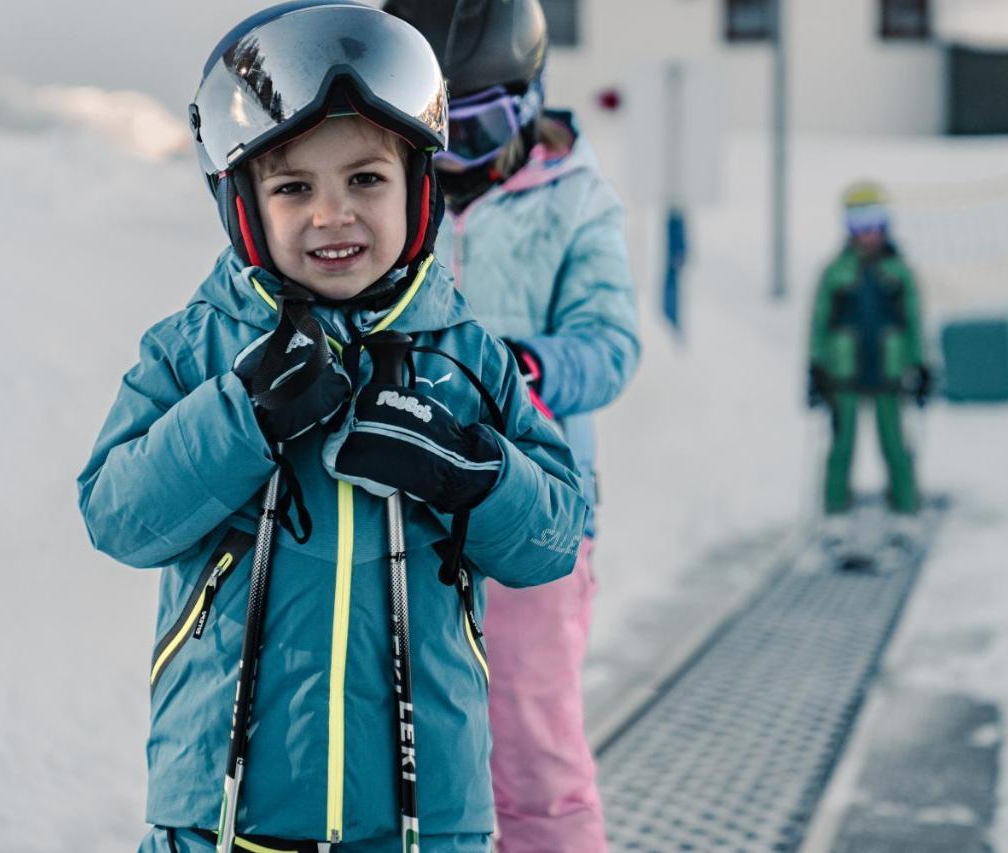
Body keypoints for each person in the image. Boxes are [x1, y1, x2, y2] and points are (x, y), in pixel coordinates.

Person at [76, 4, 588, 851]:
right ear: (244, 203)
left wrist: (474, 474)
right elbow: (118, 516)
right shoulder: (197, 351)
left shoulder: (465, 357)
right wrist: (241, 416)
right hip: (225, 808)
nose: (332, 214)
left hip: (427, 819)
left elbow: (556, 537)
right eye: (293, 187)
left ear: (418, 188)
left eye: (365, 179)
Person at [382, 2, 640, 850]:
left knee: (531, 757)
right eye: (436, 126)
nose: (454, 156)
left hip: (529, 521)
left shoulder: (574, 202)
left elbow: (610, 343)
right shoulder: (391, 194)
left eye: (481, 125)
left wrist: (524, 370)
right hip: (401, 517)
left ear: (530, 103)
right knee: (402, 759)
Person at [808, 181, 930, 520]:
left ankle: (905, 504)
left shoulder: (898, 273)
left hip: (887, 372)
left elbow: (914, 323)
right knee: (841, 444)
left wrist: (920, 366)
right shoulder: (836, 273)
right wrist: (816, 367)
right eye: (859, 224)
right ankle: (835, 507)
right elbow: (820, 323)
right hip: (844, 372)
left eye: (874, 223)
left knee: (893, 442)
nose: (867, 234)